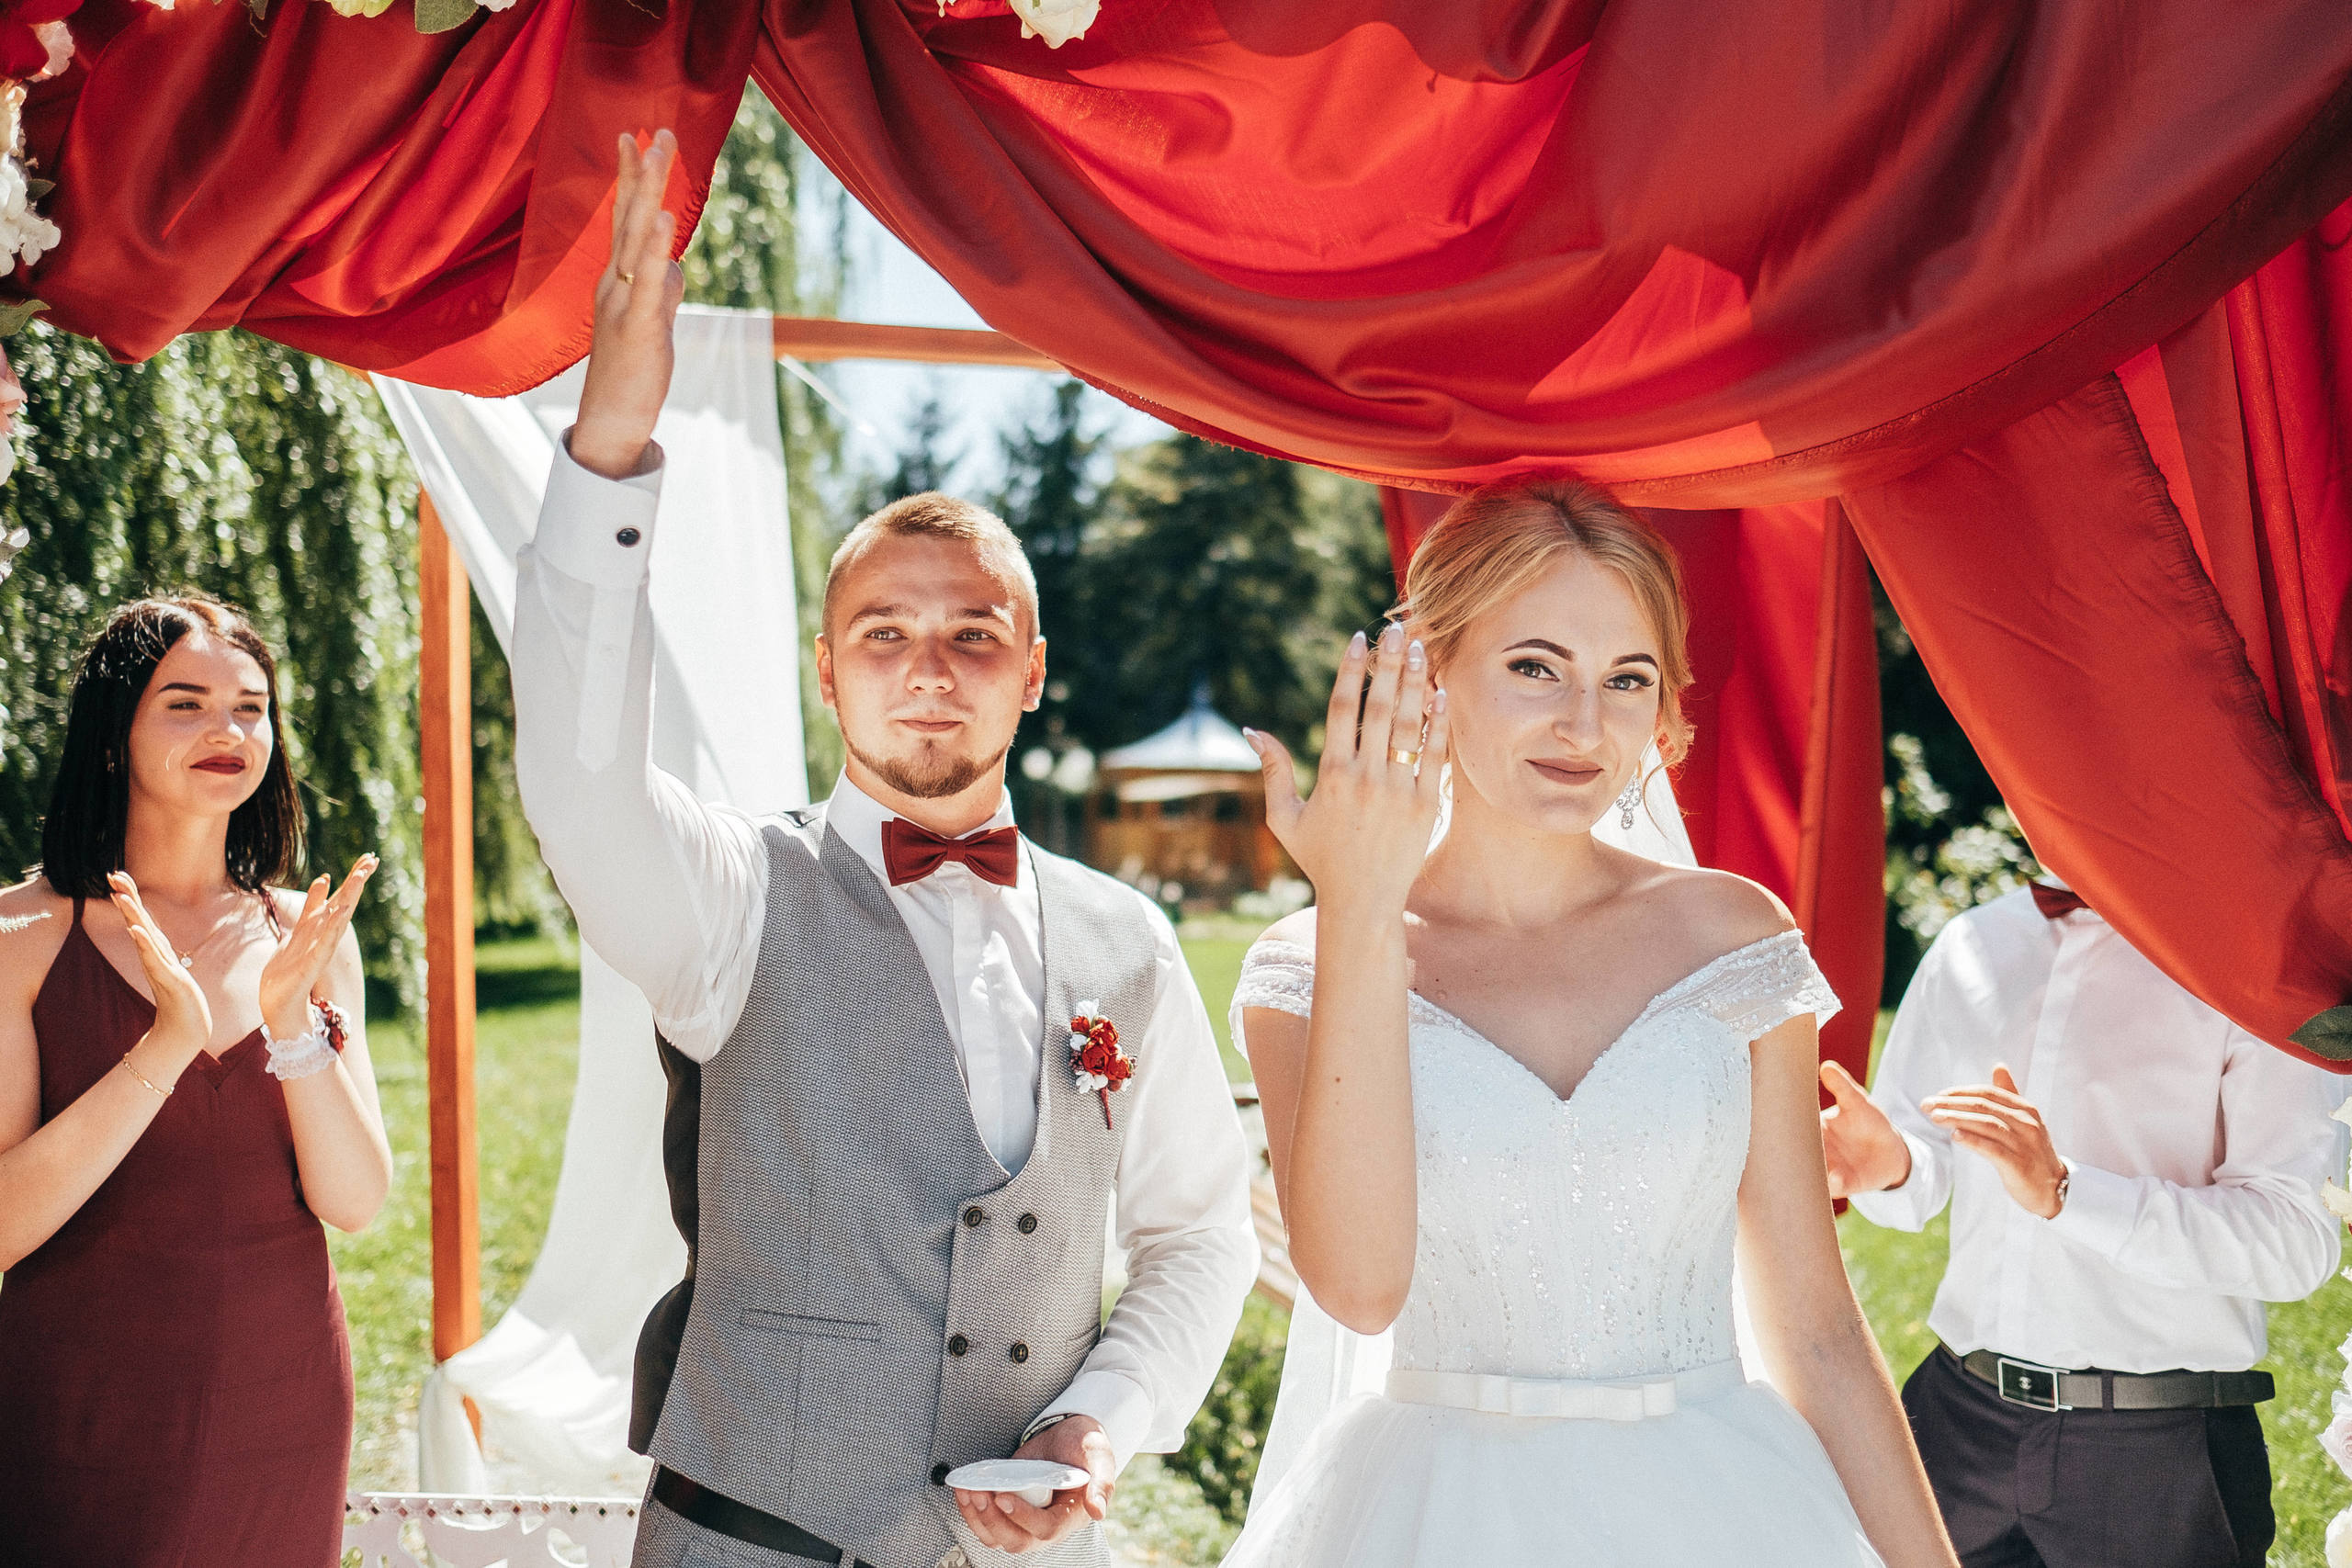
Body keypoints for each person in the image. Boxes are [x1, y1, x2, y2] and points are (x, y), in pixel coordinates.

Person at [511, 130, 1258, 1568]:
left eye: (974, 635)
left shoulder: (1132, 940)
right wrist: (611, 444)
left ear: (1032, 670)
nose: (931, 670)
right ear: (828, 671)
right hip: (755, 1538)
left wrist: (1097, 1415)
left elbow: (1200, 1233)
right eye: (886, 636)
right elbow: (580, 773)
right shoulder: (730, 897)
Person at [1226, 479, 1960, 1567]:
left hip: (1724, 1510)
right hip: (1428, 1519)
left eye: (1627, 678)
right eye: (1534, 667)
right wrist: (1364, 909)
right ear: (1429, 676)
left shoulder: (1732, 936)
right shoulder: (1305, 966)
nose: (1584, 724)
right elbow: (1360, 1290)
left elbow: (1815, 1327)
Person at [0, 593, 389, 1566]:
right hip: (79, 1420)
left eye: (251, 706)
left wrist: (291, 1019)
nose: (229, 729)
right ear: (110, 733)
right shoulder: (21, 939)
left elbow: (355, 1200)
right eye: (186, 703)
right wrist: (167, 1045)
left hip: (287, 1407)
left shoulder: (307, 934)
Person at [1822, 872, 2346, 1568]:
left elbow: (2292, 1240)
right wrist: (1892, 1167)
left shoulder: (2252, 967)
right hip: (1954, 1424)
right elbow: (1926, 1166)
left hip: (2154, 1456)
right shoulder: (1972, 942)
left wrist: (2069, 1191)